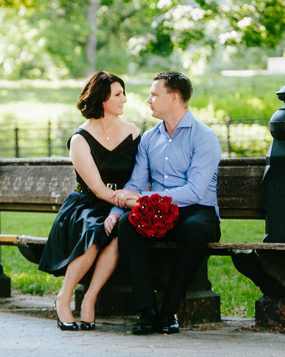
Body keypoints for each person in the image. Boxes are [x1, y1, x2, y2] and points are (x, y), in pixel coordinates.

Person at [111, 72, 222, 335]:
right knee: (127, 225)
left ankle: (169, 312)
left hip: (199, 212)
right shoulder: (149, 139)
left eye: (154, 94)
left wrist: (147, 199)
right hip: (159, 214)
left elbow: (195, 192)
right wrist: (117, 210)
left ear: (174, 98)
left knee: (192, 230)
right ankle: (146, 311)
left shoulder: (204, 137)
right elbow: (136, 184)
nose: (148, 100)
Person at [38, 71, 140, 331]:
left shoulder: (132, 132)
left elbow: (140, 177)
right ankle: (64, 297)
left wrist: (122, 208)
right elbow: (98, 189)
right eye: (118, 94)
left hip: (119, 205)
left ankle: (90, 298)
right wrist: (132, 203)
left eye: (123, 93)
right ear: (102, 98)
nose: (124, 100)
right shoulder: (80, 139)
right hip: (87, 204)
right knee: (95, 231)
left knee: (120, 233)